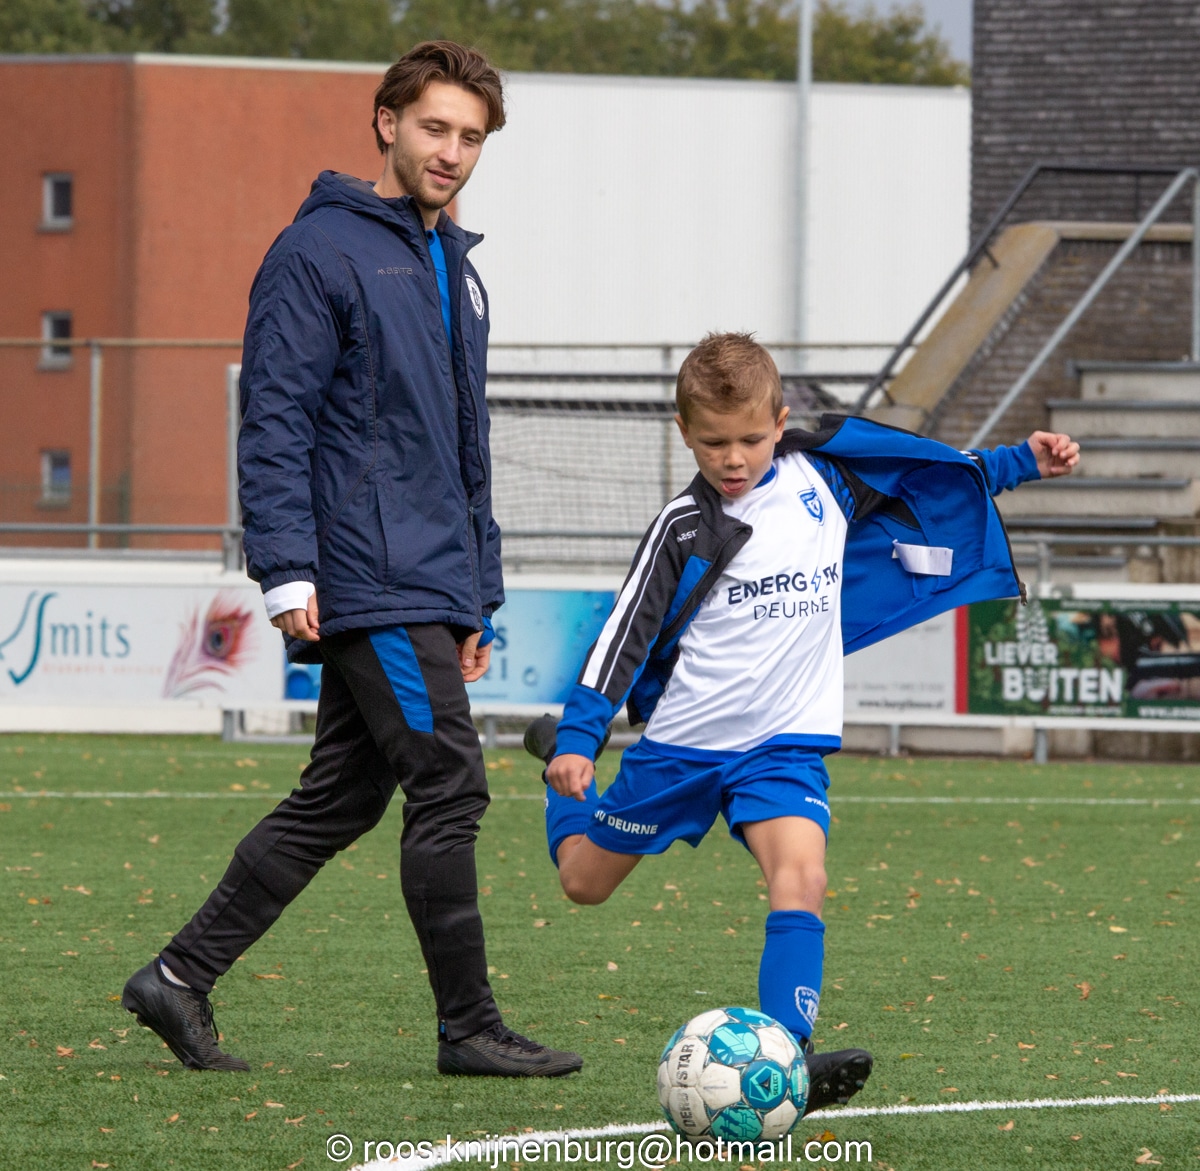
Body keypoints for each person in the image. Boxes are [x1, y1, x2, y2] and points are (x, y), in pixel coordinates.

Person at [122, 40, 582, 1079]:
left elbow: (462, 447)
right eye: (435, 127)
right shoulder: (317, 252)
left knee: (342, 795)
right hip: (367, 579)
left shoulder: (458, 270)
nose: (452, 151)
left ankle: (177, 977)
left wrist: (477, 594)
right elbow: (274, 418)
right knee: (450, 783)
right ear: (386, 123)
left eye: (471, 137)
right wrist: (286, 567)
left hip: (426, 578)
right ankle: (468, 1028)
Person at [526, 332, 1079, 1111]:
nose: (733, 458)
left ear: (781, 422)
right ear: (684, 433)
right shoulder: (682, 525)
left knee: (803, 876)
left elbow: (928, 475)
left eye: (751, 439)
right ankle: (555, 767)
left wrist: (1021, 461)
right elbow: (623, 634)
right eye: (713, 443)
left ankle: (790, 1058)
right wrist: (580, 738)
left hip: (783, 745)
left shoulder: (826, 479)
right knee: (583, 882)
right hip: (684, 748)